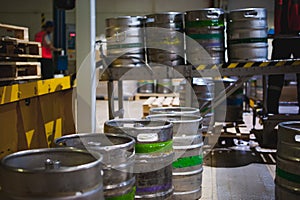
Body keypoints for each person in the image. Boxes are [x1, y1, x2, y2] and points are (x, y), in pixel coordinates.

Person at [267, 0, 300, 114]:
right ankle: (271, 111)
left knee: (276, 75)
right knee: (275, 75)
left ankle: (271, 110)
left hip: (296, 36)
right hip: (282, 37)